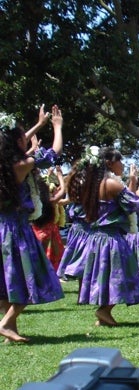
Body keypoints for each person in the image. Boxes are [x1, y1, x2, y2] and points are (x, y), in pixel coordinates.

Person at [0, 105, 64, 343]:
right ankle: (5, 323)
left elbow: (10, 141)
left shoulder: (4, 165)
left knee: (6, 280)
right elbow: (53, 154)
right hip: (16, 229)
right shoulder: (22, 165)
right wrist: (56, 127)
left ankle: (10, 331)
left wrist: (38, 125)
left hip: (0, 227)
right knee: (32, 278)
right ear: (17, 142)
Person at [77, 146, 139, 326]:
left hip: (97, 237)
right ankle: (104, 310)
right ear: (109, 163)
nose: (122, 164)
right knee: (119, 275)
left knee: (105, 276)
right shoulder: (111, 183)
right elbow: (134, 205)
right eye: (120, 160)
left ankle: (103, 315)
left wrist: (130, 182)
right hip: (111, 238)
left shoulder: (95, 183)